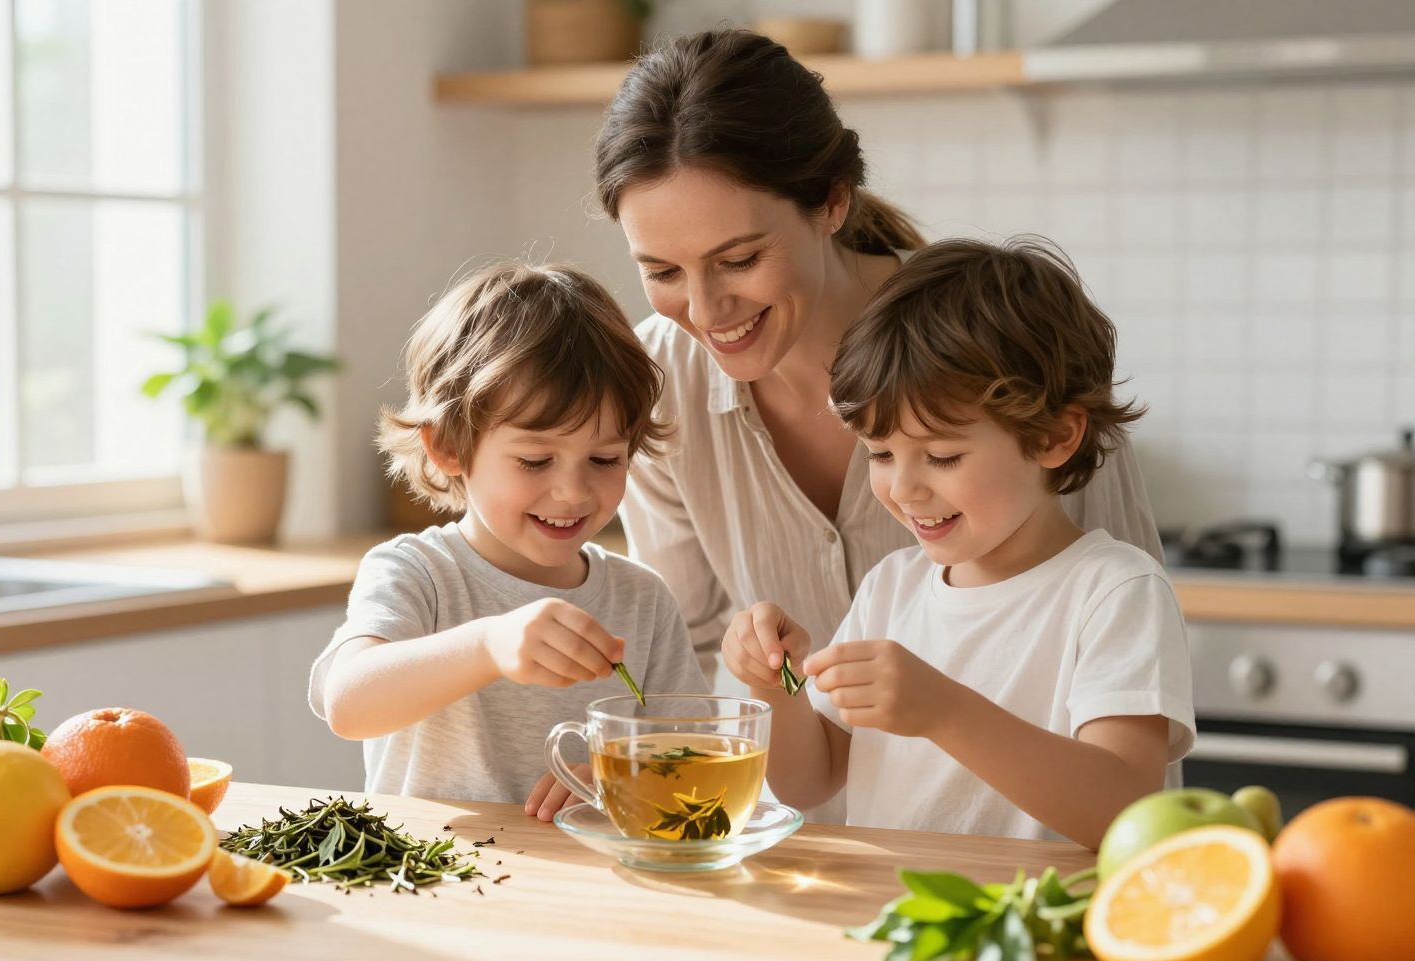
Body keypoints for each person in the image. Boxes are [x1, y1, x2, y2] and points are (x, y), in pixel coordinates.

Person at [592, 29, 1162, 717]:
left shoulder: (1002, 346)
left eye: (739, 260)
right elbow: (683, 649)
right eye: (660, 271)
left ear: (833, 201)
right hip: (808, 820)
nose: (707, 309)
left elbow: (1128, 684)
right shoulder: (655, 385)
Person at [721, 238, 1195, 847]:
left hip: (1036, 930)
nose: (904, 489)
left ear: (1054, 436)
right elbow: (811, 781)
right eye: (881, 454)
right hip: (895, 925)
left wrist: (944, 712)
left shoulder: (1114, 591)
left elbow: (1123, 810)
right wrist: (775, 686)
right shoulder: (893, 587)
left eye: (942, 456)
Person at [309, 261, 704, 814]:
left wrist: (627, 773)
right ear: (448, 446)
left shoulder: (643, 600)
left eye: (604, 458)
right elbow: (348, 704)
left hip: (583, 887)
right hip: (436, 882)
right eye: (535, 460)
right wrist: (488, 645)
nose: (573, 492)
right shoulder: (417, 572)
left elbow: (692, 760)